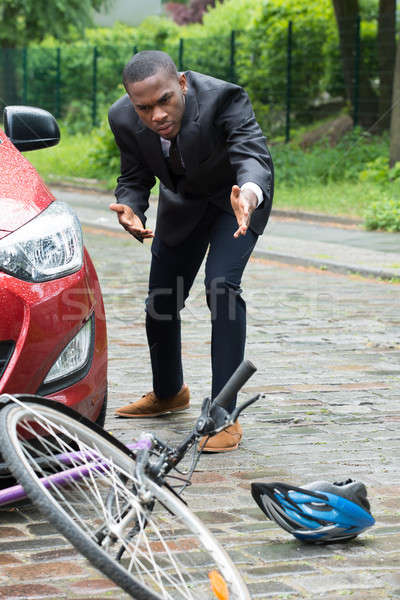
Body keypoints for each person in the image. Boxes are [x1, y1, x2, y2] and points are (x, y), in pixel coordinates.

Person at [108, 50, 274, 452]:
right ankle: (168, 393)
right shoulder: (123, 117)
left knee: (221, 287)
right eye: (144, 107)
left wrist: (249, 196)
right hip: (182, 205)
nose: (156, 116)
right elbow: (134, 174)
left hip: (235, 202)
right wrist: (130, 206)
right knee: (160, 301)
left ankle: (223, 416)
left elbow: (252, 155)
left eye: (165, 100)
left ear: (181, 83)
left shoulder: (224, 98)